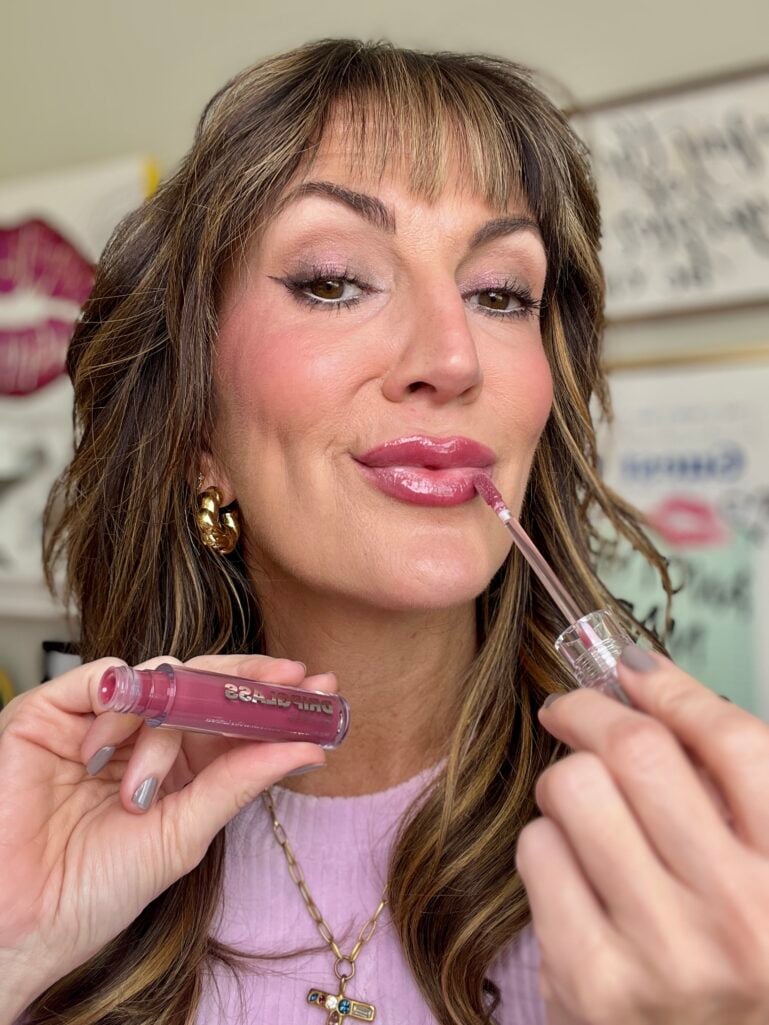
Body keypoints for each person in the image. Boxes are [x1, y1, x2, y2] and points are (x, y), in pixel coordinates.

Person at [2, 36, 769, 1025]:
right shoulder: (58, 856)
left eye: (499, 293)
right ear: (197, 429)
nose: (452, 356)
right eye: (332, 279)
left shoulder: (716, 873)